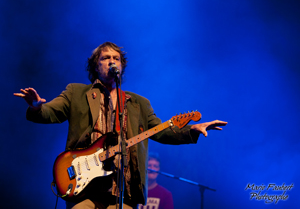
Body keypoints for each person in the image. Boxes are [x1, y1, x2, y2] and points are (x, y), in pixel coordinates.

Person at [14, 42, 227, 209]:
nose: (112, 62)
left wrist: (190, 130)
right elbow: (51, 112)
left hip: (122, 190)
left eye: (116, 58)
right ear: (95, 65)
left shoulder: (138, 104)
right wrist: (35, 107)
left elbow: (161, 132)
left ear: (122, 66)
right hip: (83, 188)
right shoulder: (76, 93)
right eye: (106, 58)